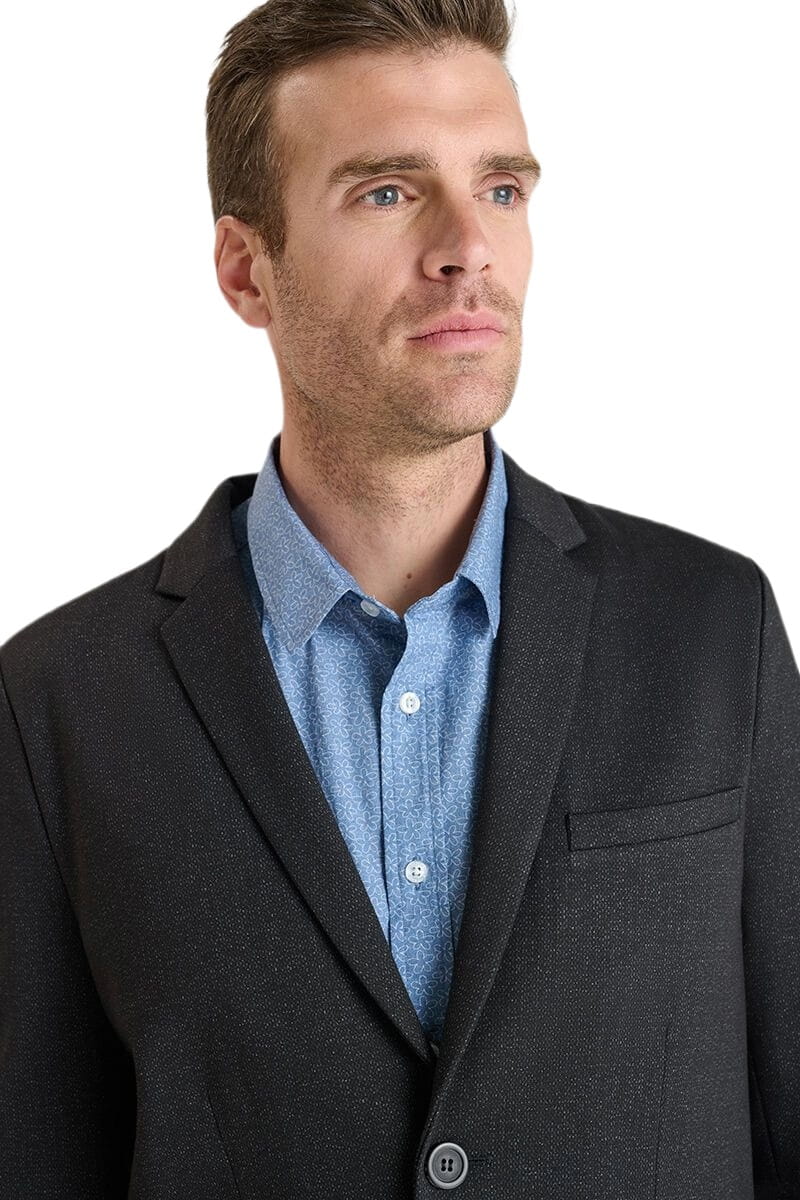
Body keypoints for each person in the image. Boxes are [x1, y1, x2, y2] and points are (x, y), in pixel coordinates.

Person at [1, 0, 798, 1196]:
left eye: (500, 189)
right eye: (386, 192)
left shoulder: (709, 630)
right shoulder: (59, 702)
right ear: (246, 271)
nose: (467, 247)